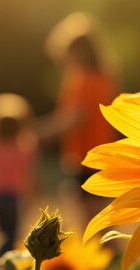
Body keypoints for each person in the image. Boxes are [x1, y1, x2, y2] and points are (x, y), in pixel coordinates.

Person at [40, 12, 118, 222]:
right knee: (98, 219)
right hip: (96, 156)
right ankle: (110, 255)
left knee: (94, 220)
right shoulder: (103, 78)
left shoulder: (85, 80)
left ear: (78, 53)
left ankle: (109, 255)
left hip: (88, 158)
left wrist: (40, 132)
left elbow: (74, 119)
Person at [0, 94, 38, 257]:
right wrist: (31, 196)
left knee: (0, 232)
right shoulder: (24, 150)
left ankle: (1, 259)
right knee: (13, 232)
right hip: (14, 197)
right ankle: (9, 260)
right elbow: (28, 176)